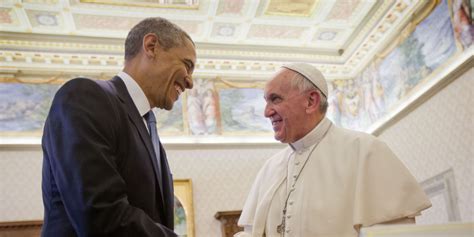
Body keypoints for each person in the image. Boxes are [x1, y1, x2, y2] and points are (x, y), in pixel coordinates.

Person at [41, 17, 195, 236]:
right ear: (151, 46)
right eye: (187, 65)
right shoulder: (85, 96)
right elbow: (102, 215)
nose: (190, 81)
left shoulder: (150, 131)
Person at [236, 63, 431, 237]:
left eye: (275, 99)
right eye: (266, 101)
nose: (266, 112)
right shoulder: (270, 168)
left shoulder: (364, 150)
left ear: (311, 101)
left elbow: (395, 233)